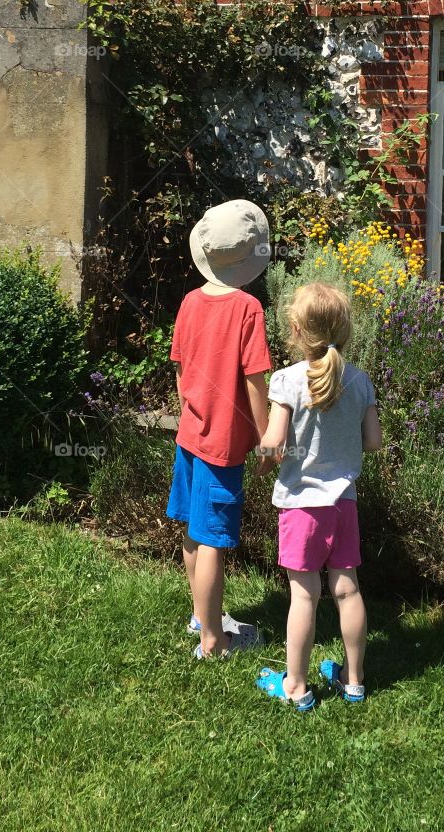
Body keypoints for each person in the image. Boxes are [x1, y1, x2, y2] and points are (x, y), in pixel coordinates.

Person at [256, 282, 382, 711]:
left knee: (305, 596)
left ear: (294, 328)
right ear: (345, 329)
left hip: (300, 507)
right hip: (343, 503)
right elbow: (373, 442)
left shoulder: (287, 380)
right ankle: (354, 680)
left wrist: (261, 461)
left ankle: (296, 685)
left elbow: (273, 444)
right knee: (348, 591)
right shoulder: (361, 381)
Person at [167, 199, 273, 658]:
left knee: (194, 529)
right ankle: (214, 640)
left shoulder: (190, 302)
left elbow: (178, 367)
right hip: (223, 445)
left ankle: (201, 615)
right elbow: (256, 381)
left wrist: (190, 410)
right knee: (213, 540)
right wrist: (268, 439)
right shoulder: (248, 309)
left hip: (191, 433)